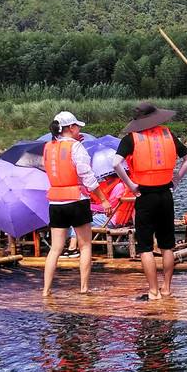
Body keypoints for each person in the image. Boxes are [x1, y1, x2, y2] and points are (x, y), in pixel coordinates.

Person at [113, 102, 187, 301]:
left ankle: (153, 291)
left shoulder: (131, 139)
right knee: (167, 245)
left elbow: (115, 163)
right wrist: (177, 179)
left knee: (145, 246)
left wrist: (131, 185)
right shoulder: (168, 135)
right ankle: (166, 288)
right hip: (166, 195)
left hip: (145, 196)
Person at [41, 111, 114, 298]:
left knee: (55, 249)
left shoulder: (48, 147)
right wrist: (104, 199)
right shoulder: (76, 147)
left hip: (56, 201)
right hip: (77, 200)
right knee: (85, 246)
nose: (80, 129)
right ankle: (83, 288)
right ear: (71, 128)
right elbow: (87, 177)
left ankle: (46, 290)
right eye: (77, 126)